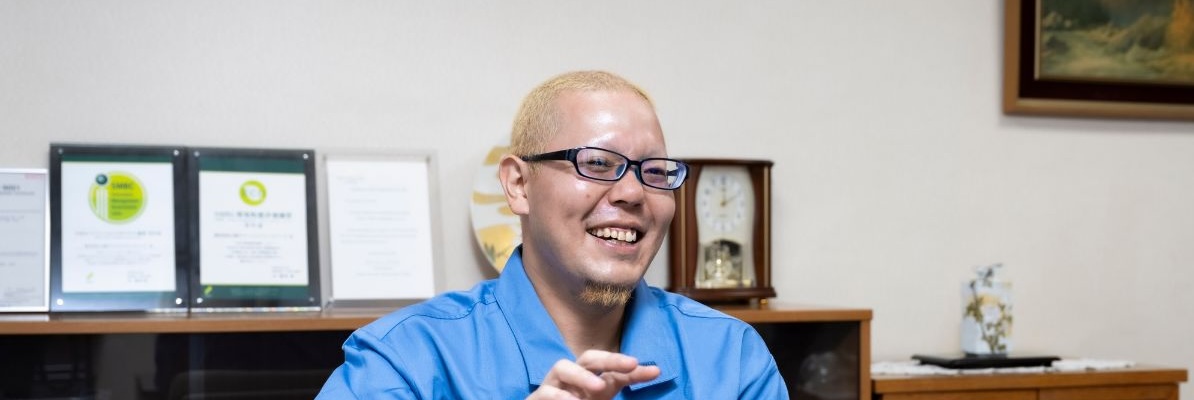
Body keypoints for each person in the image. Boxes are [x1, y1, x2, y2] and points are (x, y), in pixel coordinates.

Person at [316, 71, 788, 399]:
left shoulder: (731, 358)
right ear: (519, 185)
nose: (632, 193)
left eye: (655, 171)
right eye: (597, 163)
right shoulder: (406, 360)